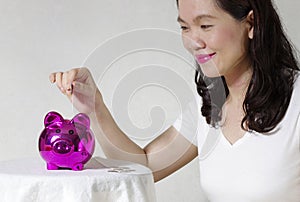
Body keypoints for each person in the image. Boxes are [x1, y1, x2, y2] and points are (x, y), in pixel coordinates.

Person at [49, 0, 300, 201]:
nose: (193, 42)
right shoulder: (210, 105)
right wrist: (94, 106)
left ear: (251, 22)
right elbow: (144, 167)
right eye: (184, 27)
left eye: (205, 26)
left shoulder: (296, 100)